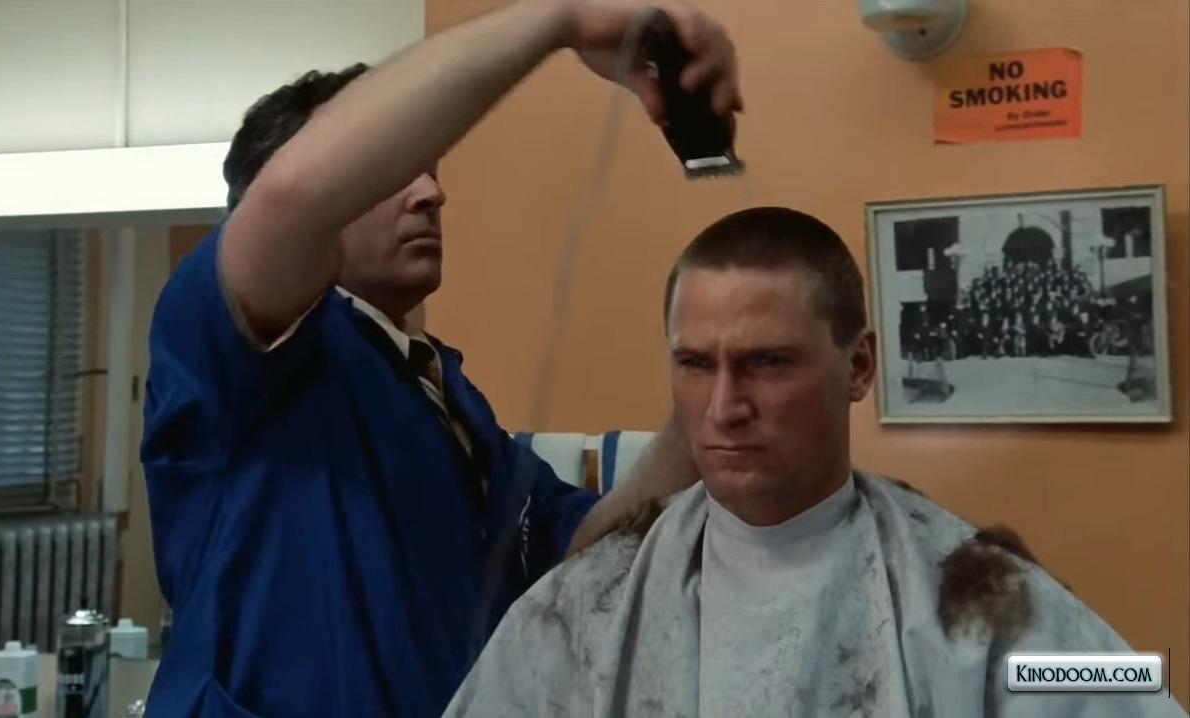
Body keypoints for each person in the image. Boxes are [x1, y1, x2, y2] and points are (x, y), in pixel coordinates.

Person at [138, 0, 739, 714]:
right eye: (394, 173)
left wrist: (712, 379)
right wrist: (563, 20)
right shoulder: (229, 352)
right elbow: (292, 196)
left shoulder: (447, 404)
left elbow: (583, 546)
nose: (432, 193)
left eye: (428, 170)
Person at [444, 207, 1185, 717]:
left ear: (858, 366)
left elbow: (1120, 684)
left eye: (766, 362)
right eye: (696, 364)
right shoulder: (583, 607)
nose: (724, 406)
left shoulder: (985, 599)